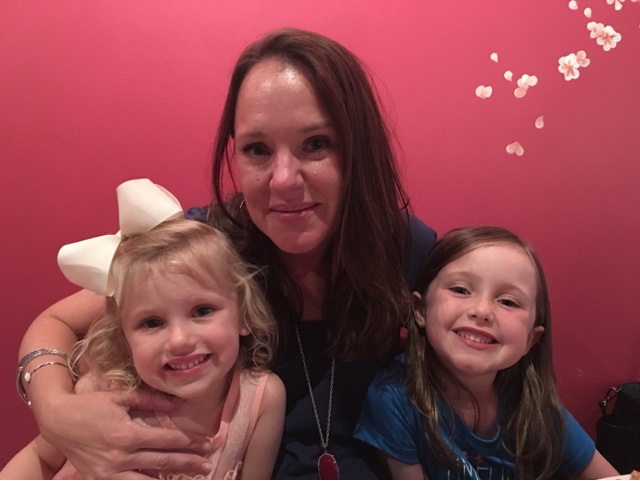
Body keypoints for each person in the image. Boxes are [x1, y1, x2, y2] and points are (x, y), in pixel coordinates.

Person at [16, 28, 436, 479]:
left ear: (359, 148)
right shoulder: (205, 249)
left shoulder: (405, 247)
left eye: (316, 143)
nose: (283, 179)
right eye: (258, 150)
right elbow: (56, 322)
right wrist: (56, 411)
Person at [3, 179, 285, 480]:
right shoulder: (103, 394)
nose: (179, 340)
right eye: (152, 323)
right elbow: (41, 458)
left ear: (244, 315)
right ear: (123, 337)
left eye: (202, 311)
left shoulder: (261, 400)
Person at [354, 226, 619, 479]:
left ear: (530, 340)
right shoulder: (394, 398)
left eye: (508, 302)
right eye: (460, 290)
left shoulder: (533, 403)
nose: (481, 311)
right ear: (420, 310)